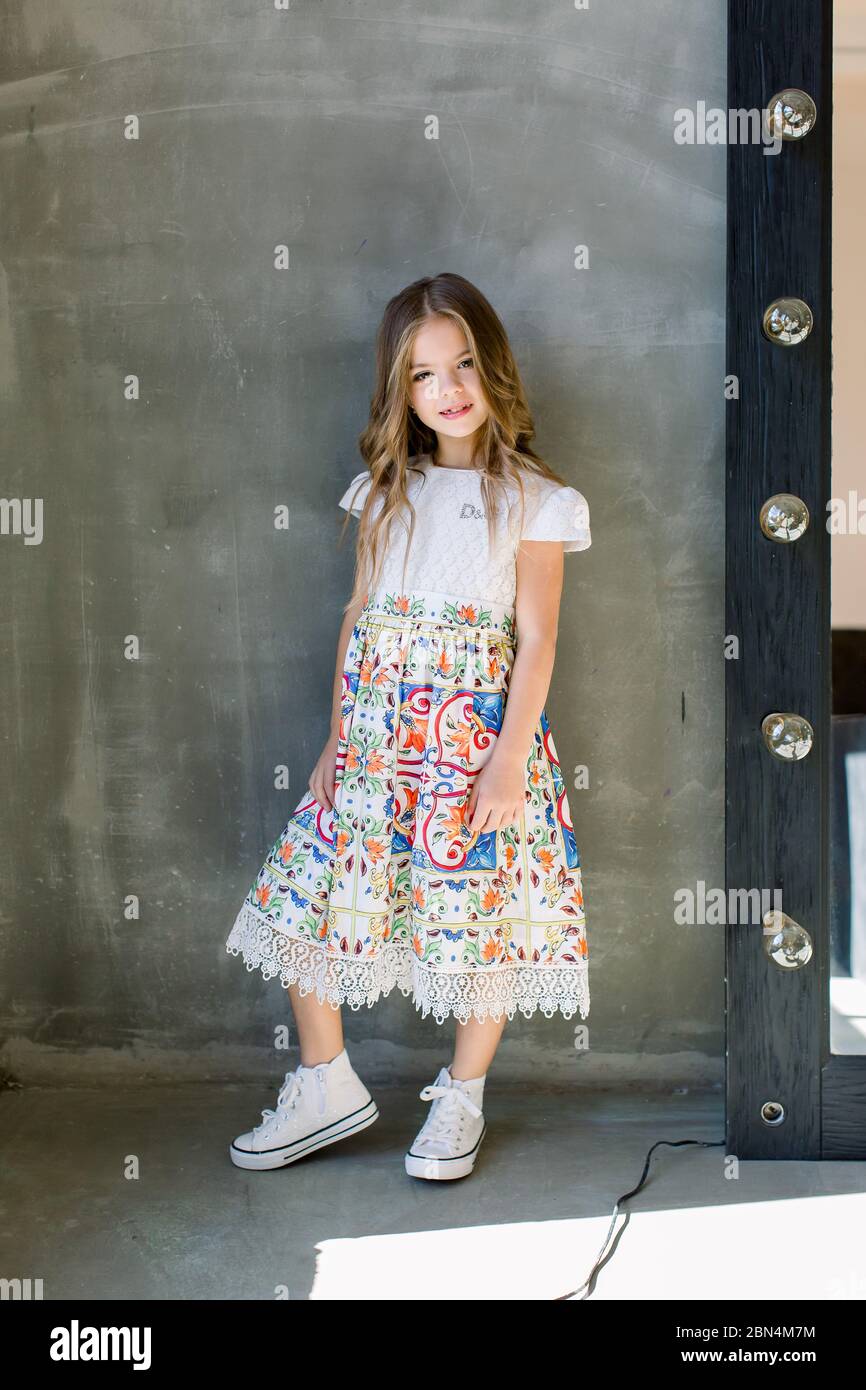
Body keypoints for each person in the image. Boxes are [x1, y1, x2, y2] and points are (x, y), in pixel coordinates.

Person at [226, 271, 592, 1181]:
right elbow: (358, 615)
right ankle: (327, 1084)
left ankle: (462, 1095)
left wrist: (509, 762)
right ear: (401, 391)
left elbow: (538, 640)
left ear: (492, 366)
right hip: (377, 743)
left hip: (472, 748)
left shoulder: (537, 499)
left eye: (463, 363)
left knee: (478, 921)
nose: (449, 388)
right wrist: (336, 738)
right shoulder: (383, 493)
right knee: (306, 898)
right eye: (424, 375)